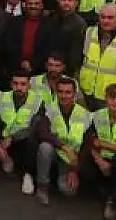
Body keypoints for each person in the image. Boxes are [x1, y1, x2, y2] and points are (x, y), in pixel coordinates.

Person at [34, 76, 93, 205]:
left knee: (68, 191)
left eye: (68, 92)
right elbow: (42, 132)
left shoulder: (85, 115)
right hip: (56, 152)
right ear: (56, 93)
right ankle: (42, 186)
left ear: (74, 94)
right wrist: (63, 146)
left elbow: (87, 145)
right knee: (45, 147)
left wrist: (74, 170)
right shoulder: (49, 109)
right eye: (60, 92)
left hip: (71, 160)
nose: (64, 96)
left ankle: (58, 176)